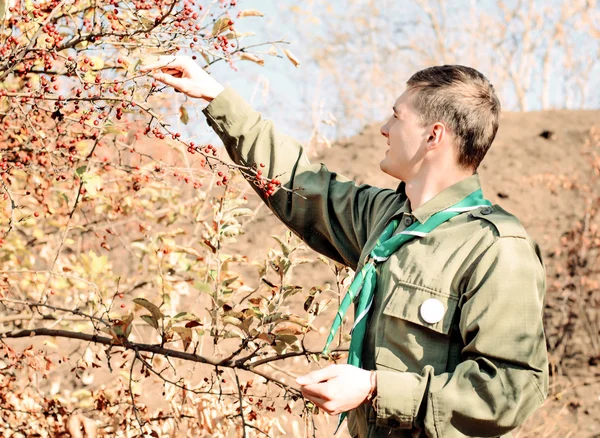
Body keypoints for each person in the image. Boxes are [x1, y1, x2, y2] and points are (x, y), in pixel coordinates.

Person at [142, 57, 548, 438]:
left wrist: (374, 387)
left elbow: (512, 387)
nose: (384, 128)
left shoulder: (495, 247)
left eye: (397, 115)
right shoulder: (385, 217)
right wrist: (216, 96)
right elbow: (301, 183)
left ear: (433, 135)